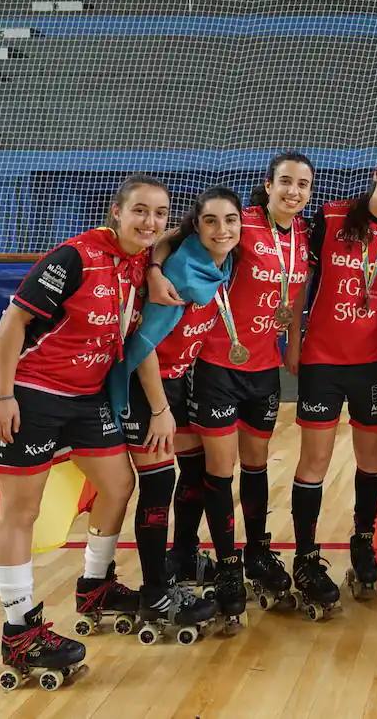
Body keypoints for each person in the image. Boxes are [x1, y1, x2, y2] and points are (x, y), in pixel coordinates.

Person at [0, 175, 168, 685]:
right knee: (21, 510)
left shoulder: (138, 265)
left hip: (87, 399)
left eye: (159, 213)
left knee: (119, 485)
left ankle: (95, 585)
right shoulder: (74, 256)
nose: (150, 221)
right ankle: (20, 631)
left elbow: (171, 250)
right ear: (117, 213)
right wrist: (3, 395)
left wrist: (152, 263)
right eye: (140, 211)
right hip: (32, 395)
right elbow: (13, 324)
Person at [147, 153, 313, 623]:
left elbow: (295, 296)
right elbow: (168, 238)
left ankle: (258, 551)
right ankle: (225, 565)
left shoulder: (302, 235)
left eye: (303, 184)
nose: (294, 191)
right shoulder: (240, 223)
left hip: (264, 368)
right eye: (285, 182)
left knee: (256, 466)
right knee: (217, 471)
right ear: (268, 184)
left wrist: (294, 345)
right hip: (216, 365)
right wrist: (157, 271)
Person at [109, 187, 246, 639]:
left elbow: (164, 238)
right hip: (145, 386)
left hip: (176, 380)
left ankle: (182, 559)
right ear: (196, 225)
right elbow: (143, 345)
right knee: (157, 485)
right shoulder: (182, 273)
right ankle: (154, 593)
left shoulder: (214, 262)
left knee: (189, 474)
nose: (221, 229)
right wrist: (160, 409)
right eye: (210, 221)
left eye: (230, 221)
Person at [293, 149, 377, 609]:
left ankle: (362, 540)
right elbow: (292, 274)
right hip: (322, 361)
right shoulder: (331, 217)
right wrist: (292, 341)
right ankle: (305, 557)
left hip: (373, 364)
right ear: (376, 175)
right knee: (315, 462)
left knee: (371, 459)